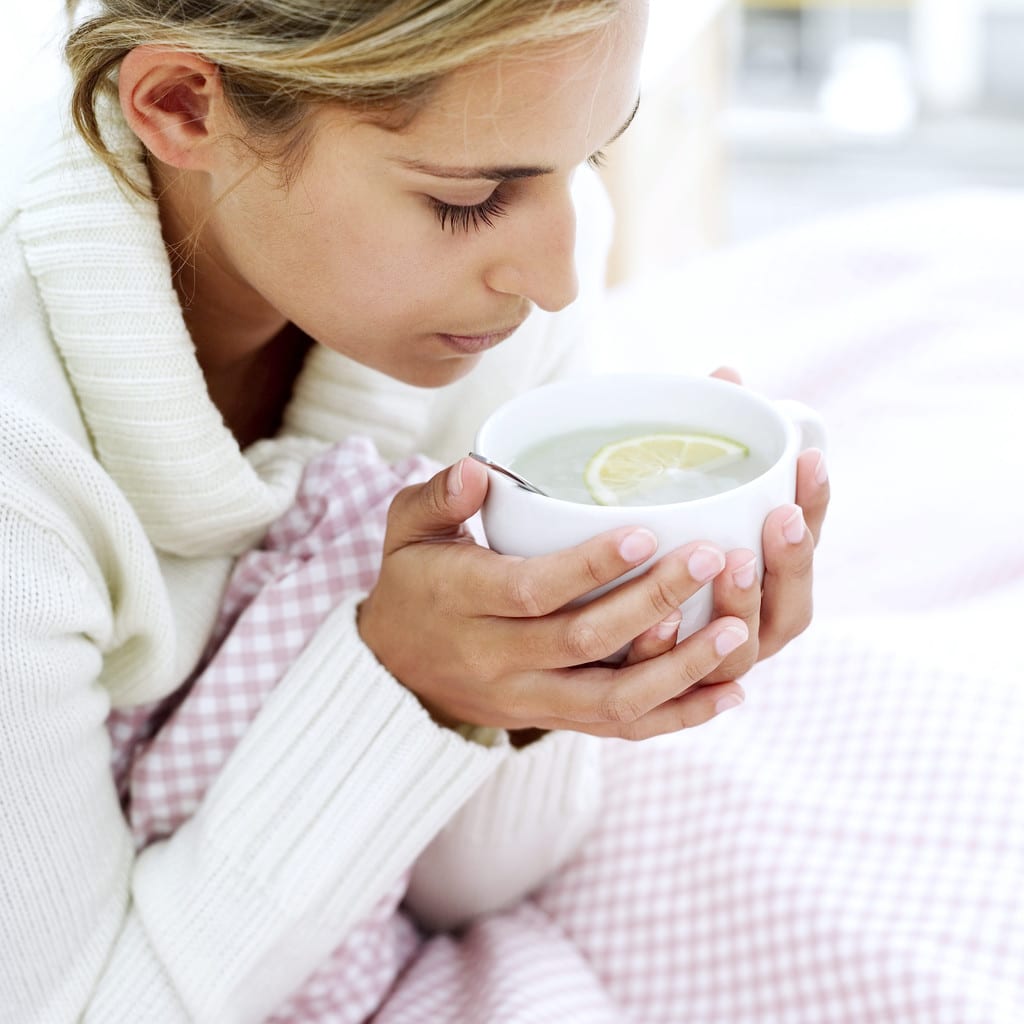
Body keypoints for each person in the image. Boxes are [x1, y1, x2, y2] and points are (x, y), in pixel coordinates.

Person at [0, 1, 829, 1019]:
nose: (560, 281)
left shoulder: (487, 309)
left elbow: (474, 887)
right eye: (471, 200)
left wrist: (539, 675)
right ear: (181, 105)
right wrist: (397, 683)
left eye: (592, 159)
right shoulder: (22, 474)